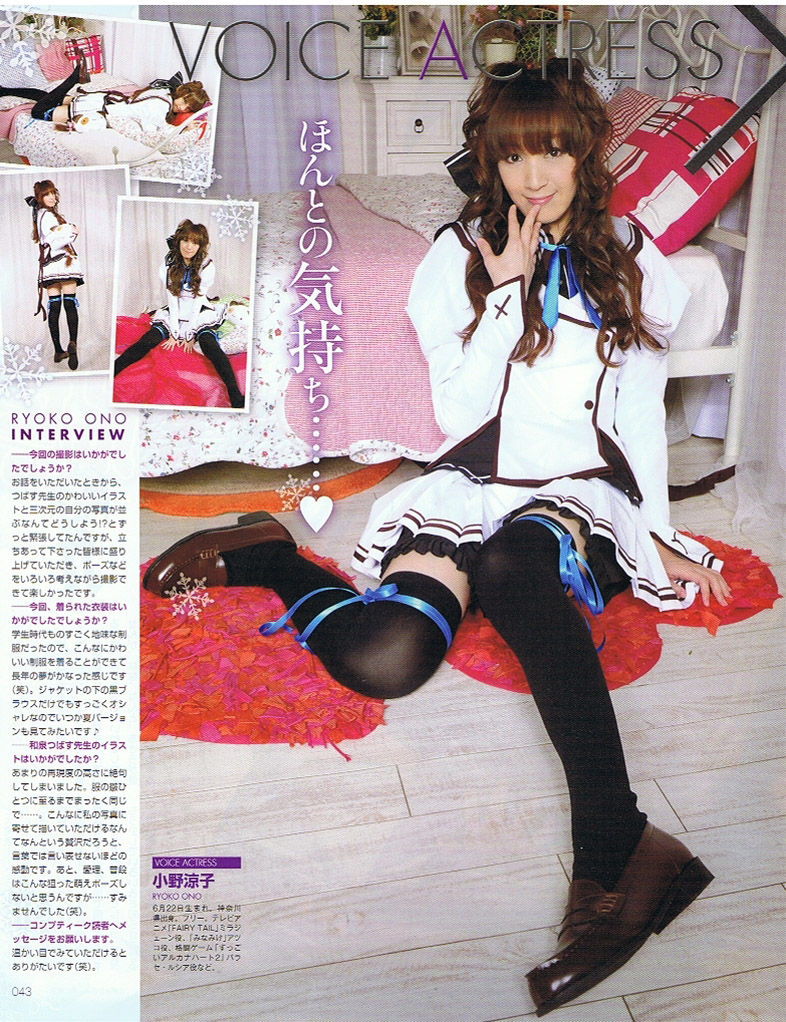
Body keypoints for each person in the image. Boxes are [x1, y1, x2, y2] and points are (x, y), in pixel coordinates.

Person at [141, 60, 730, 1013]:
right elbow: (456, 413)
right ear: (490, 162)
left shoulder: (632, 255)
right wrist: (503, 296)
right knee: (384, 658)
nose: (535, 176)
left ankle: (616, 842)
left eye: (553, 151)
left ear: (586, 151)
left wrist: (660, 533)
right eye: (514, 156)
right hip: (475, 481)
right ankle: (268, 552)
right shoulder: (453, 257)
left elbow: (635, 408)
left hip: (577, 493)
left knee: (515, 565)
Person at [114, 219, 244, 409]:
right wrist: (175, 332)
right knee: (147, 340)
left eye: (195, 242)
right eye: (185, 240)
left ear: (200, 246)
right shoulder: (169, 264)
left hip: (199, 311)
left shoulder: (207, 265)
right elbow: (172, 300)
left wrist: (190, 333)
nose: (189, 247)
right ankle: (112, 373)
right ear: (179, 241)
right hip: (174, 311)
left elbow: (198, 300)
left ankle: (235, 395)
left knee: (209, 345)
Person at [0, 63, 208, 131]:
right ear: (181, 93)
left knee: (49, 98)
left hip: (103, 101)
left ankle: (4, 91)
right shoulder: (161, 107)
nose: (183, 108)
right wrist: (183, 128)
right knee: (39, 112)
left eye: (188, 108)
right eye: (185, 101)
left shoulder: (163, 91)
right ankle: (73, 79)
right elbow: (152, 130)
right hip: (101, 109)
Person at [25, 179, 83, 370]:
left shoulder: (39, 216)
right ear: (40, 197)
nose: (51, 197)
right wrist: (72, 230)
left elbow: (47, 241)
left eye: (53, 193)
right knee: (70, 304)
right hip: (64, 263)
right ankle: (72, 343)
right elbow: (55, 242)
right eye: (46, 194)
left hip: (50, 267)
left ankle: (58, 351)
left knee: (55, 307)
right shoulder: (48, 216)